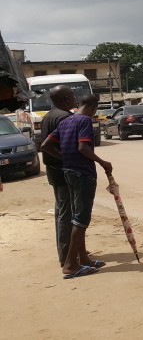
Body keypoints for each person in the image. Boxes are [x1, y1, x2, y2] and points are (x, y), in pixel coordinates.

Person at [39, 94, 112, 279]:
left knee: (75, 218)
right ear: (94, 108)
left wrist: (64, 157)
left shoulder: (66, 121)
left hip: (68, 172)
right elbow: (83, 148)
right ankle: (71, 265)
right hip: (83, 174)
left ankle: (84, 259)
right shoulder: (85, 121)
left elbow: (46, 145)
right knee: (81, 219)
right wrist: (103, 163)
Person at [38, 85, 77, 268]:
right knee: (66, 213)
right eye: (72, 95)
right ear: (66, 98)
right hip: (63, 171)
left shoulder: (49, 116)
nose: (74, 98)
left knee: (61, 211)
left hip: (54, 171)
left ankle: (67, 251)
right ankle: (67, 256)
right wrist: (66, 159)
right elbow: (46, 145)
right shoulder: (65, 117)